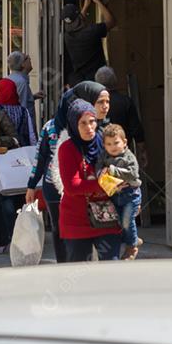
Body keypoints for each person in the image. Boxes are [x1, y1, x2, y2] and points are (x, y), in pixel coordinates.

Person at [25, 81, 111, 263]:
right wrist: (32, 185)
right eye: (99, 101)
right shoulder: (52, 127)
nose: (104, 107)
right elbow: (40, 157)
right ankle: (64, 265)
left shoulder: (100, 132)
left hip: (90, 190)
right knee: (61, 231)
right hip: (56, 187)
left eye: (106, 102)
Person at [57, 99, 122, 261]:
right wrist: (104, 183)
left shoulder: (106, 142)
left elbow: (123, 172)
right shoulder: (67, 149)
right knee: (79, 274)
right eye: (83, 123)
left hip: (108, 218)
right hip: (77, 222)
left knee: (112, 269)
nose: (89, 127)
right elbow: (72, 186)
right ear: (74, 125)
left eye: (92, 121)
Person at [0, 78, 30, 255]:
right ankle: (20, 238)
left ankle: (7, 239)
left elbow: (12, 137)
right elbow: (30, 135)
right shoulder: (23, 111)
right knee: (18, 200)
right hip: (19, 160)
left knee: (4, 200)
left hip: (1, 161)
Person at [98, 124, 142, 260]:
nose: (113, 147)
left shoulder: (129, 157)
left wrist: (112, 170)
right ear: (104, 146)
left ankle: (132, 247)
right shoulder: (104, 156)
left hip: (130, 194)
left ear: (124, 142)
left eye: (116, 143)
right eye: (109, 144)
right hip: (114, 194)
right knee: (118, 221)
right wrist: (100, 173)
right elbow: (98, 168)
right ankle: (133, 239)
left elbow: (133, 174)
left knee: (127, 221)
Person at [95, 66, 146, 167]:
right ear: (115, 82)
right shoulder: (126, 101)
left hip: (99, 154)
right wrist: (142, 151)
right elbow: (136, 128)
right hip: (122, 154)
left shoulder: (93, 103)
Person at [63, 0, 116, 86]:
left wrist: (85, 6)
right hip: (97, 78)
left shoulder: (68, 36)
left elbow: (77, 23)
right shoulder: (91, 31)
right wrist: (98, 2)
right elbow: (111, 22)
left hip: (82, 80)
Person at [7, 51, 41, 137]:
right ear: (23, 64)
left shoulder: (12, 79)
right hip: (24, 131)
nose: (30, 59)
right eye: (27, 58)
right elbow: (22, 108)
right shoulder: (22, 82)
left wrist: (32, 97)